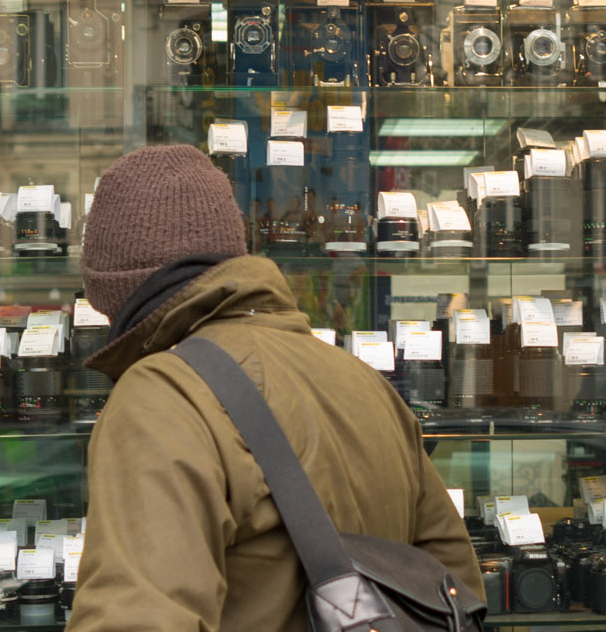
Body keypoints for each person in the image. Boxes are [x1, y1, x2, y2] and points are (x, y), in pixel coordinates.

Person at [67, 144, 482, 630]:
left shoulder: (162, 396)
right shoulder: (365, 383)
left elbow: (136, 618)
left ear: (115, 295)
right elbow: (455, 584)